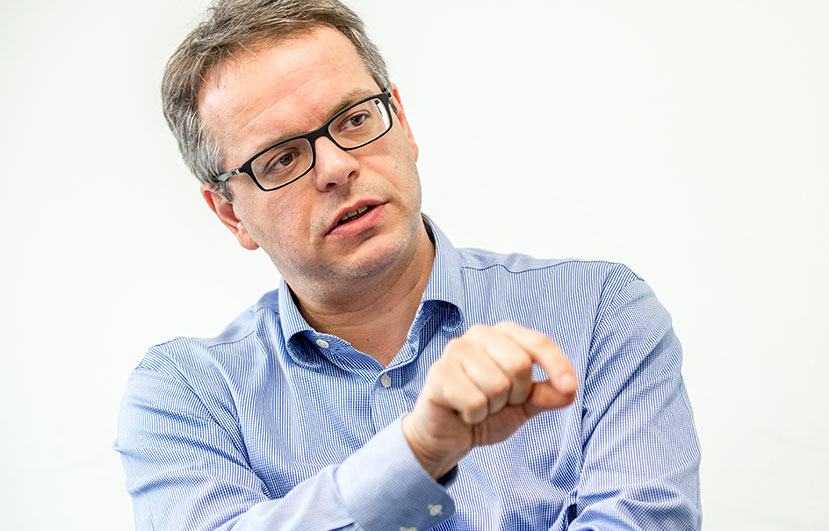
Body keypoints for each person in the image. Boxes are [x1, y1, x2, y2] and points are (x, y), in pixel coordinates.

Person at [114, 0, 701, 529]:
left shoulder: (599, 311)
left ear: (402, 120)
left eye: (354, 119)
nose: (336, 168)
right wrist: (417, 451)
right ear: (230, 214)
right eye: (282, 157)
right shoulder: (186, 398)